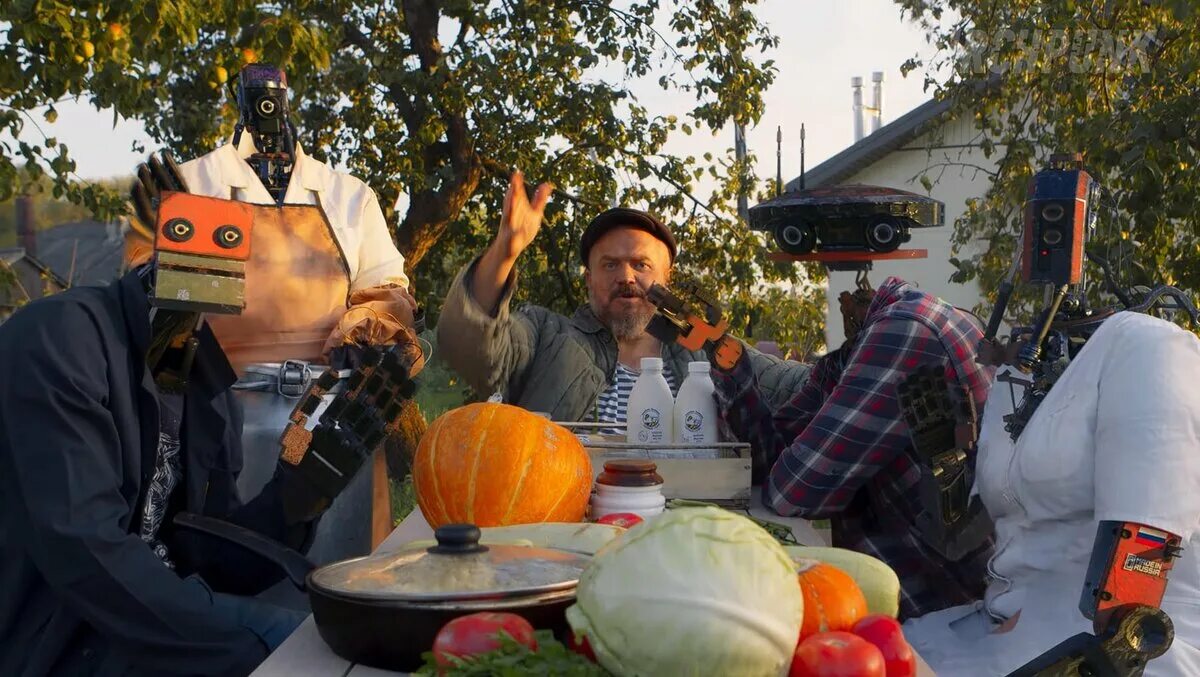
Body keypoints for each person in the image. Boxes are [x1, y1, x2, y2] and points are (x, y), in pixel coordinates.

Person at [0, 188, 423, 676]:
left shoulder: (205, 386)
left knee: (349, 654)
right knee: (299, 661)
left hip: (165, 617)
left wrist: (299, 494)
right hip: (61, 640)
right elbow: (84, 553)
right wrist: (237, 652)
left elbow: (211, 563)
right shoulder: (60, 342)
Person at [128, 64, 420, 564]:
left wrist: (363, 326)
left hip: (331, 422)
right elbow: (143, 311)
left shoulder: (349, 196)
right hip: (214, 419)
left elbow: (388, 292)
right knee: (223, 566)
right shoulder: (192, 184)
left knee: (338, 571)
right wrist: (167, 265)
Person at [900, 309, 1200, 675]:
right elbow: (960, 540)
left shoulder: (1147, 348)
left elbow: (1139, 582)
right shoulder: (1019, 373)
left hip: (1118, 649)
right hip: (999, 625)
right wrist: (943, 465)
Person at [712, 276, 997, 621]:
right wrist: (732, 369)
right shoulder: (859, 350)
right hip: (926, 599)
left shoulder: (904, 332)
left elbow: (793, 493)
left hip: (956, 614)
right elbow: (768, 456)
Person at [436, 170, 811, 431]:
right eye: (610, 264)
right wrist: (505, 252)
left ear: (666, 278)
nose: (626, 277)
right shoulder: (545, 336)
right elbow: (471, 347)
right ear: (589, 279)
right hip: (566, 517)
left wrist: (845, 363)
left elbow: (790, 385)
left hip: (684, 515)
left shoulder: (706, 350)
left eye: (641, 265)